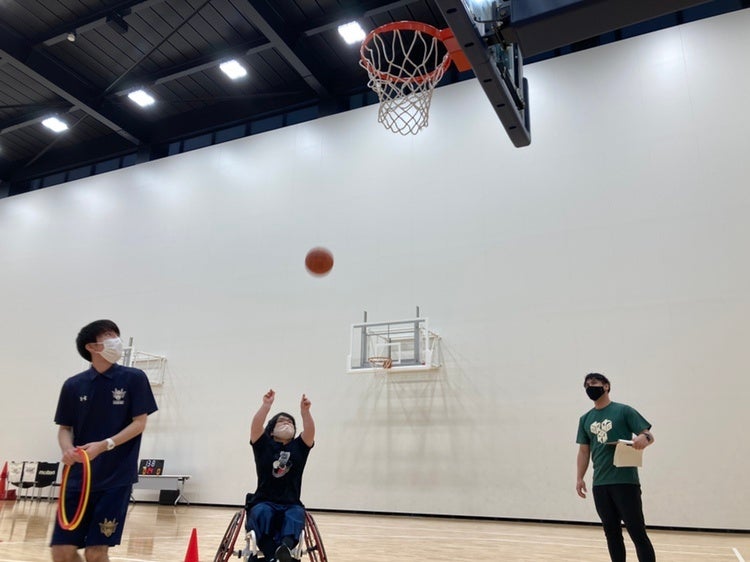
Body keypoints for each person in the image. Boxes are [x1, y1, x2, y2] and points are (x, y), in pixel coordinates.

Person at [51, 320, 158, 562]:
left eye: (116, 335)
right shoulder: (73, 385)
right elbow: (64, 428)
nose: (116, 340)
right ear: (91, 347)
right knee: (62, 551)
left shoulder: (134, 378)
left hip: (115, 478)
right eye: (109, 335)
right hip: (77, 478)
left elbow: (139, 423)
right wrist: (67, 449)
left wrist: (104, 445)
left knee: (96, 552)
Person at [576, 373, 656, 562]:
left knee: (637, 532)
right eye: (586, 385)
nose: (589, 387)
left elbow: (648, 435)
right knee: (611, 533)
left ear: (606, 386)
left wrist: (643, 438)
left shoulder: (624, 411)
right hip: (600, 485)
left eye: (594, 383)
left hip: (625, 482)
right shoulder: (585, 419)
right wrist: (580, 478)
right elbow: (584, 452)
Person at [248, 389, 315, 562]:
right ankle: (273, 555)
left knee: (296, 514)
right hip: (264, 500)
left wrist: (305, 412)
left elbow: (310, 432)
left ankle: (283, 549)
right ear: (271, 430)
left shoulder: (299, 447)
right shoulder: (263, 445)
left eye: (290, 422)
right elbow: (256, 426)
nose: (287, 423)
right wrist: (266, 406)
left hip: (290, 502)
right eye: (282, 421)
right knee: (261, 512)